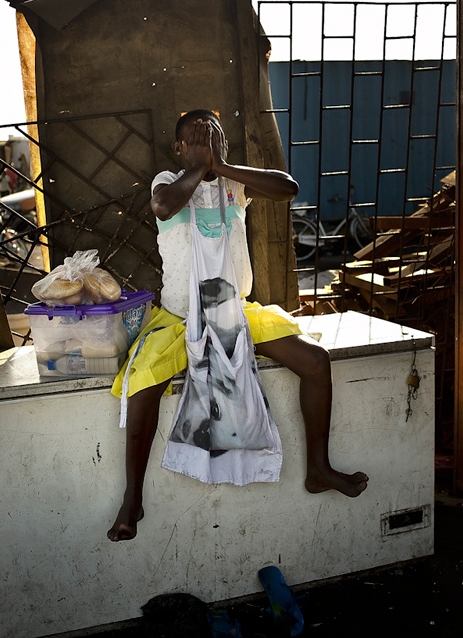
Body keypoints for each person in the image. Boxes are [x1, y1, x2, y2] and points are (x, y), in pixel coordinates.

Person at [107, 109, 368, 542]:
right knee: (142, 385)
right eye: (196, 139)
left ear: (224, 147)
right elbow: (164, 206)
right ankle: (132, 498)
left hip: (235, 314)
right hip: (180, 318)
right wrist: (199, 168)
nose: (206, 146)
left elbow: (287, 188)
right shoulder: (166, 181)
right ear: (179, 148)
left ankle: (318, 469)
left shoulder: (235, 184)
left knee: (316, 362)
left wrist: (221, 167)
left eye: (214, 139)